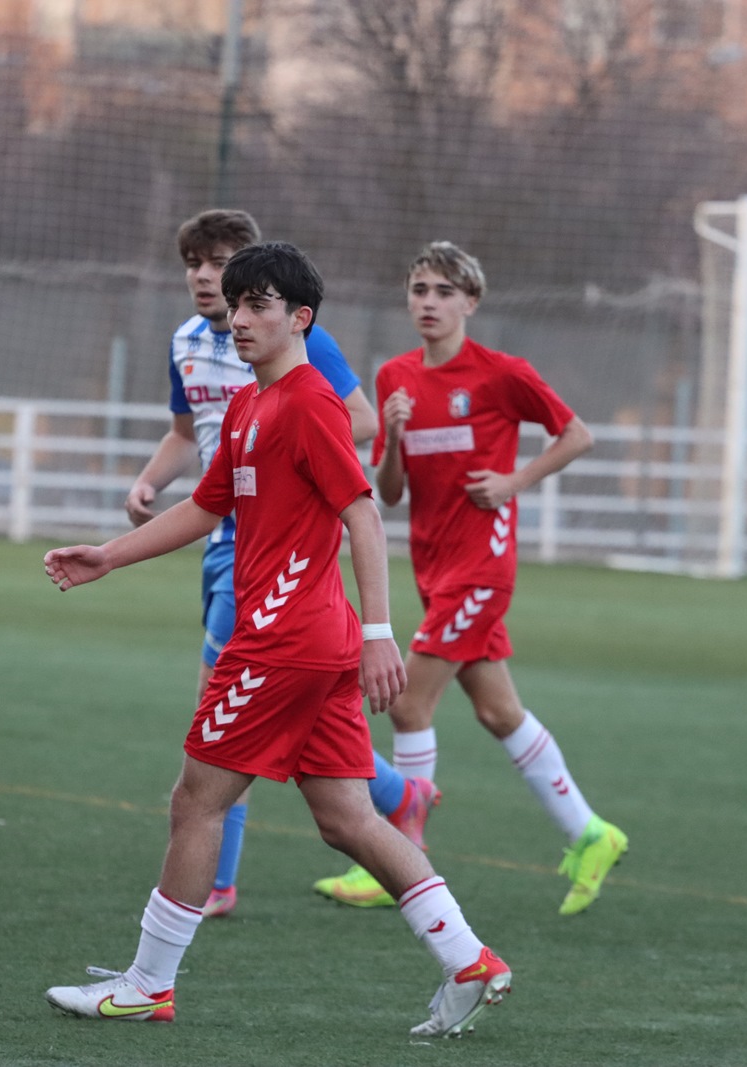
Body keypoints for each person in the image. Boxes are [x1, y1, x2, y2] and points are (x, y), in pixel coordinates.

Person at [43, 242, 511, 1037]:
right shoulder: (248, 407)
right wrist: (110, 555)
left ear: (300, 318)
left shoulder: (309, 403)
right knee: (347, 818)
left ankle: (148, 984)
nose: (239, 318)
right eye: (235, 303)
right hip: (309, 645)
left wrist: (380, 633)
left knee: (196, 800)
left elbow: (363, 514)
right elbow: (206, 506)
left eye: (258, 304)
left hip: (282, 641)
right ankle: (469, 958)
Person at [314, 241, 628, 916]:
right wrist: (393, 435)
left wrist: (514, 481)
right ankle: (591, 834)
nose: (428, 303)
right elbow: (389, 493)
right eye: (419, 290)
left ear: (471, 302)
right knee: (497, 711)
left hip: (482, 568)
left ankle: (398, 861)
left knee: (406, 703)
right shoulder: (396, 377)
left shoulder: (500, 373)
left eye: (443, 291)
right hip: (434, 566)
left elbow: (576, 434)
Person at [124, 209, 396, 919]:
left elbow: (358, 435)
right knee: (328, 794)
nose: (204, 277)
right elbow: (189, 437)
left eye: (219, 263)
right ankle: (406, 807)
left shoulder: (298, 354)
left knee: (216, 727)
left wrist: (378, 630)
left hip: (283, 571)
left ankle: (211, 888)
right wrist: (145, 490)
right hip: (227, 546)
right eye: (195, 263)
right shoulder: (194, 347)